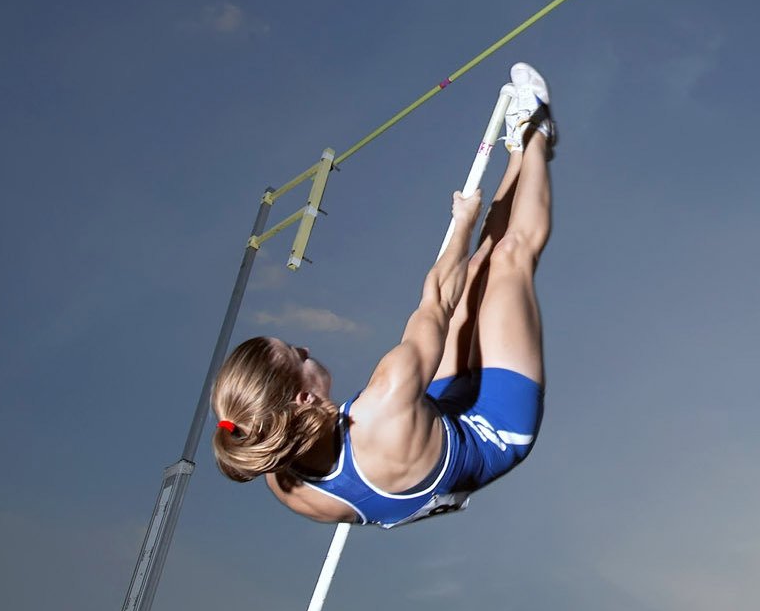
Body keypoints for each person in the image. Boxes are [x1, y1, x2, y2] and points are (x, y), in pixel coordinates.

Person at [209, 63, 555, 527]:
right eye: (298, 354)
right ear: (303, 399)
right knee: (508, 259)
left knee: (475, 277)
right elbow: (437, 298)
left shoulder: (281, 477)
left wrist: (428, 498)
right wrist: (463, 223)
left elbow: (381, 508)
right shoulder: (385, 397)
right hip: (493, 432)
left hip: (429, 427)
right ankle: (537, 134)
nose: (307, 348)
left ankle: (515, 153)